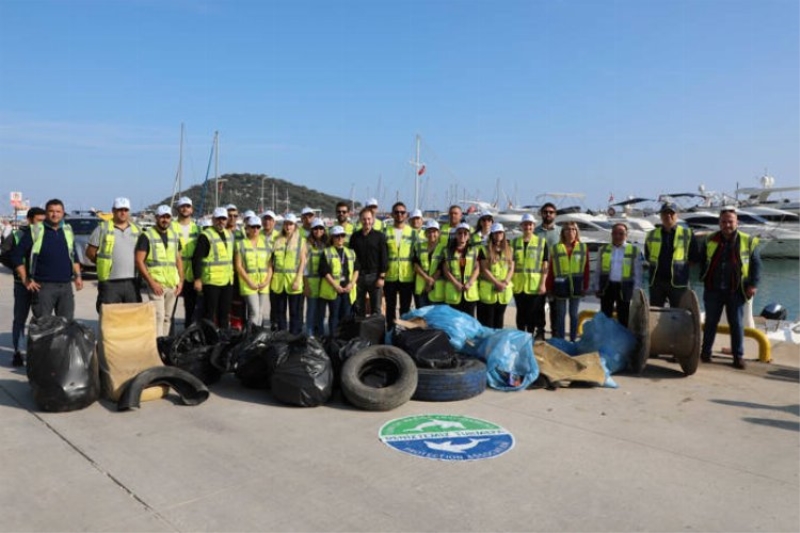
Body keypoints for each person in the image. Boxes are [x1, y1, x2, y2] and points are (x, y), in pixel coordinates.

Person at [699, 209, 761, 369]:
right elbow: (701, 259)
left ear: (736, 223)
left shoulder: (748, 241)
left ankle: (738, 356)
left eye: (730, 222)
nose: (727, 225)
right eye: (724, 222)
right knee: (710, 322)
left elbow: (756, 264)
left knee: (736, 324)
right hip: (713, 289)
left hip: (736, 289)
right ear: (719, 223)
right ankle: (705, 353)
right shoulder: (710, 239)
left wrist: (753, 284)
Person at [13, 198, 84, 320]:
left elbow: (73, 256)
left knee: (66, 326)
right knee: (43, 327)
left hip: (65, 286)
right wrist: (25, 279)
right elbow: (16, 256)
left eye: (58, 211)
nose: (55, 214)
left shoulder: (67, 230)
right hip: (43, 287)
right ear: (46, 213)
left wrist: (78, 276)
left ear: (63, 213)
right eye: (51, 211)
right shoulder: (35, 230)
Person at [86, 197, 142, 313]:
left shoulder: (137, 230)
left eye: (125, 210)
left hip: (132, 281)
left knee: (132, 315)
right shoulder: (102, 228)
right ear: (113, 210)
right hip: (109, 282)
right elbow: (90, 252)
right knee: (109, 316)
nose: (123, 212)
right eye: (119, 210)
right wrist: (102, 264)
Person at [135, 205, 183, 337]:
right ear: (156, 217)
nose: (165, 220)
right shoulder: (147, 236)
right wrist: (151, 283)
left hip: (172, 284)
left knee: (168, 317)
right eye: (162, 217)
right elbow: (139, 261)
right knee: (158, 317)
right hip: (157, 284)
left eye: (167, 217)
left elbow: (178, 259)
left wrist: (181, 281)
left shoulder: (174, 236)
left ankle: (165, 346)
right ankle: (157, 348)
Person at [8, 207, 46, 366]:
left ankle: (38, 354)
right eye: (39, 220)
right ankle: (18, 352)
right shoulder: (17, 235)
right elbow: (6, 255)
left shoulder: (45, 233)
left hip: (40, 283)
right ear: (30, 220)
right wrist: (21, 272)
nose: (42, 223)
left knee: (41, 320)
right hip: (22, 284)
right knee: (20, 319)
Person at [644, 202, 699, 307]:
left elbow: (694, 258)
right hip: (657, 283)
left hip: (679, 283)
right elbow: (648, 256)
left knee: (678, 315)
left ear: (676, 215)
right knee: (655, 312)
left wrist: (680, 269)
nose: (668, 216)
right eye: (665, 213)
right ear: (660, 216)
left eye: (671, 213)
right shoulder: (651, 235)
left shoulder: (687, 234)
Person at [593, 222, 643, 328]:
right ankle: (606, 339)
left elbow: (637, 273)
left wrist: (636, 291)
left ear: (626, 235)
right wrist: (597, 287)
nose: (618, 236)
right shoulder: (603, 249)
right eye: (615, 233)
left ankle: (622, 341)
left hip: (625, 287)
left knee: (624, 316)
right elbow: (598, 270)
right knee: (605, 316)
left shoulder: (634, 250)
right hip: (607, 286)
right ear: (611, 234)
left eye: (621, 233)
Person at [192, 207, 235, 327]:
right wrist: (197, 279)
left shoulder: (228, 234)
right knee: (209, 314)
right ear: (213, 220)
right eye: (218, 219)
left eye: (223, 219)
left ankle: (223, 340)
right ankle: (209, 341)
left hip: (227, 281)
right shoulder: (205, 236)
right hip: (212, 281)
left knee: (224, 314)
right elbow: (197, 259)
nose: (221, 221)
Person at [547, 221, 590, 341]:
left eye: (573, 229)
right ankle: (561, 339)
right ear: (563, 232)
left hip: (576, 285)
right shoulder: (556, 248)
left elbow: (586, 268)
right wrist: (549, 287)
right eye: (567, 229)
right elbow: (551, 270)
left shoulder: (583, 247)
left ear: (577, 232)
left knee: (574, 315)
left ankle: (572, 339)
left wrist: (585, 286)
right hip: (560, 285)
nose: (570, 232)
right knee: (560, 315)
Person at [511, 213, 549, 338]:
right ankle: (521, 336)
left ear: (533, 226)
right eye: (525, 224)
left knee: (532, 314)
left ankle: (529, 336)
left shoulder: (541, 242)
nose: (528, 227)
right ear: (521, 226)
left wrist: (543, 284)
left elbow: (545, 265)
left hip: (534, 285)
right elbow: (510, 264)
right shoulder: (514, 242)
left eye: (530, 225)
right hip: (518, 284)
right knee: (520, 313)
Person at [319, 226, 360, 335]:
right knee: (334, 316)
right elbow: (324, 271)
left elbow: (356, 269)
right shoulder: (327, 252)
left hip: (347, 290)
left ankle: (344, 338)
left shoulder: (350, 252)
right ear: (332, 238)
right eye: (337, 236)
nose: (340, 238)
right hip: (334, 290)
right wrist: (335, 286)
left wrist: (352, 284)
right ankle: (333, 338)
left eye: (342, 236)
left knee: (346, 316)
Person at [270, 213, 306, 334]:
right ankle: (282, 336)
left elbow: (303, 261)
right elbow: (271, 261)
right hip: (279, 282)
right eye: (286, 224)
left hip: (293, 281)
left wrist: (298, 279)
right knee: (280, 312)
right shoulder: (277, 240)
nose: (288, 226)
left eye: (290, 224)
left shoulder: (301, 241)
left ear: (295, 226)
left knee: (294, 312)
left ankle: (294, 336)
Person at [383, 201, 416, 330]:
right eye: (396, 212)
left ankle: (403, 332)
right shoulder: (386, 232)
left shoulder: (412, 233)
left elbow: (417, 255)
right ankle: (391, 331)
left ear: (406, 215)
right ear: (392, 214)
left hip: (407, 276)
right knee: (390, 307)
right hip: (390, 276)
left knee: (405, 308)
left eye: (402, 212)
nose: (399, 215)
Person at [234, 215, 273, 327]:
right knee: (254, 312)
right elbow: (239, 266)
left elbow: (270, 266)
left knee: (260, 312)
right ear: (247, 228)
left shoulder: (266, 244)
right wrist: (249, 282)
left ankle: (257, 338)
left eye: (257, 227)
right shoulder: (241, 244)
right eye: (253, 227)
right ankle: (251, 338)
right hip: (248, 284)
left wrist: (266, 281)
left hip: (263, 283)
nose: (255, 229)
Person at [349, 207, 388, 317]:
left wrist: (381, 277)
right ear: (360, 220)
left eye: (369, 219)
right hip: (359, 277)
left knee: (376, 309)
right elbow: (351, 258)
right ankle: (361, 333)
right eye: (364, 219)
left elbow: (384, 258)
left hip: (375, 277)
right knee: (359, 308)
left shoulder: (379, 236)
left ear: (373, 220)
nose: (367, 222)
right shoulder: (355, 237)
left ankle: (377, 334)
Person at [477, 223, 515, 328]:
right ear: (492, 235)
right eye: (496, 233)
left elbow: (511, 268)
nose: (498, 235)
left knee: (499, 320)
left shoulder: (509, 249)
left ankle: (497, 342)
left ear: (503, 234)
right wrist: (496, 282)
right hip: (489, 290)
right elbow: (484, 269)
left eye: (500, 233)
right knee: (487, 321)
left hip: (503, 290)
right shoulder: (484, 249)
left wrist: (505, 282)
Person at [172, 196, 201, 328]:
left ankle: (188, 333)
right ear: (178, 209)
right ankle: (168, 335)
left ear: (192, 209)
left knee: (190, 307)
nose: (185, 209)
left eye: (188, 206)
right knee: (170, 309)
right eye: (182, 206)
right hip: (174, 271)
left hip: (191, 273)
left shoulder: (197, 228)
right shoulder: (171, 227)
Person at [442, 223, 480, 317]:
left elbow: (477, 268)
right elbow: (446, 270)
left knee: (469, 320)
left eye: (465, 233)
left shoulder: (474, 250)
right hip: (454, 290)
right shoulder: (448, 251)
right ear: (455, 235)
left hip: (469, 290)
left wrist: (469, 283)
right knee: (454, 320)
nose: (462, 235)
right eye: (459, 233)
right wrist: (456, 283)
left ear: (468, 236)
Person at [535, 202, 560, 336]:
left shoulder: (560, 232)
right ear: (541, 214)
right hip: (538, 274)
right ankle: (540, 332)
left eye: (551, 212)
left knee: (555, 306)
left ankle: (555, 333)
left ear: (555, 214)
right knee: (539, 306)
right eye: (545, 212)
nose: (548, 214)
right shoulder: (535, 232)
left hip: (556, 274)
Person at [412, 219, 445, 309]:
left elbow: (442, 267)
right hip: (421, 288)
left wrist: (430, 283)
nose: (431, 234)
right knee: (422, 317)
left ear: (438, 233)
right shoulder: (418, 246)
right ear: (425, 233)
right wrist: (427, 279)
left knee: (436, 317)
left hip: (437, 288)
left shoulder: (443, 248)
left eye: (434, 232)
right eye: (429, 232)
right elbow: (415, 265)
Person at [304, 217, 327, 336]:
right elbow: (304, 266)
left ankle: (321, 334)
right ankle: (310, 335)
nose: (318, 230)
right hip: (312, 283)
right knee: (311, 310)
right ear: (312, 230)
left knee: (321, 311)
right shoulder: (307, 245)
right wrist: (306, 285)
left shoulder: (326, 245)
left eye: (320, 228)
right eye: (315, 228)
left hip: (323, 283)